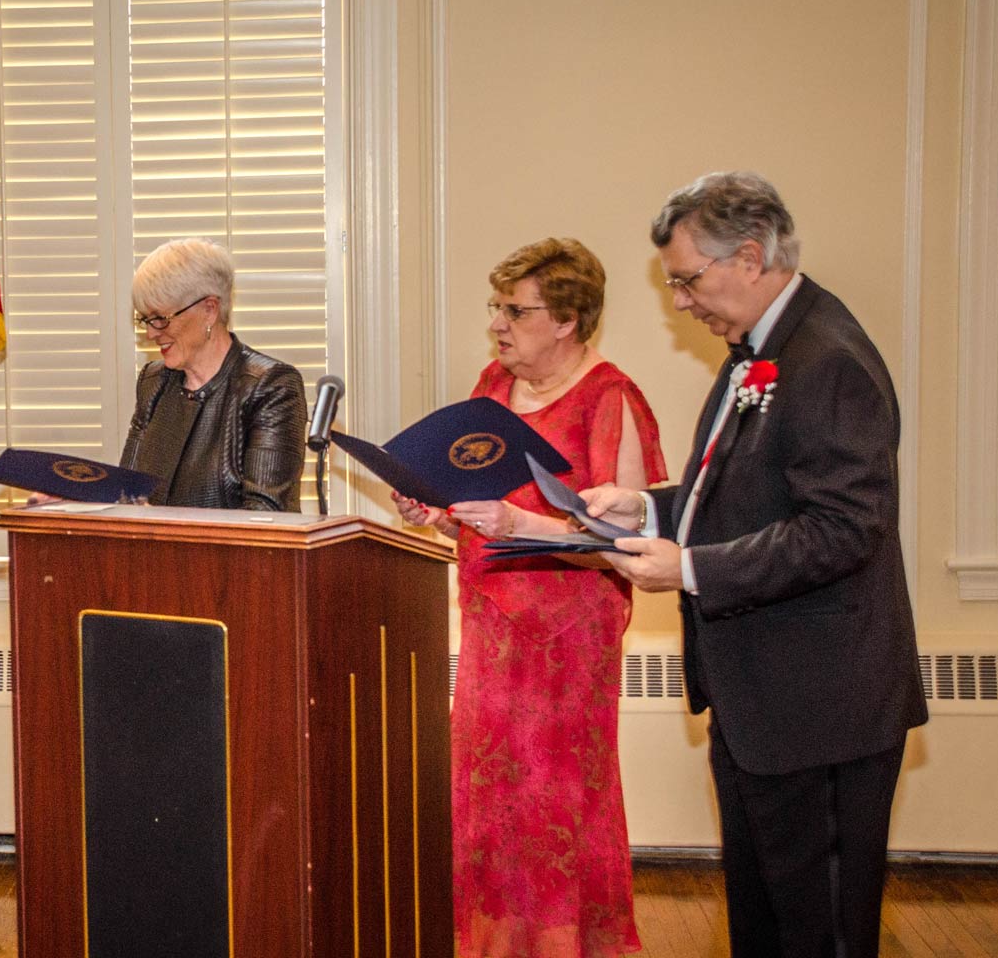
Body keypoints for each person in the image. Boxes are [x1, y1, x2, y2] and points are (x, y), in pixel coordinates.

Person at [583, 172, 928, 958]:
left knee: (821, 932)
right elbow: (739, 496)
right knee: (764, 921)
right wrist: (644, 509)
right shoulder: (759, 353)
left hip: (820, 706)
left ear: (748, 257)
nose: (680, 302)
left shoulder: (826, 358)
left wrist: (691, 569)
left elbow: (843, 530)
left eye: (686, 280)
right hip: (760, 703)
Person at [392, 237, 665, 957]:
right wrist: (433, 507)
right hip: (492, 625)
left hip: (568, 641)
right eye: (498, 307)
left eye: (516, 311)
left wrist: (522, 524)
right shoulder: (493, 384)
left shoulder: (610, 398)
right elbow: (472, 499)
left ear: (568, 320)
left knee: (556, 801)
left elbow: (627, 542)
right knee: (487, 798)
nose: (498, 325)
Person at [119, 238, 307, 510]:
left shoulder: (271, 387)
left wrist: (160, 526)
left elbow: (266, 515)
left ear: (209, 310)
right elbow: (125, 494)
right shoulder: (153, 382)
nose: (150, 333)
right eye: (146, 320)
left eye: (161, 319)